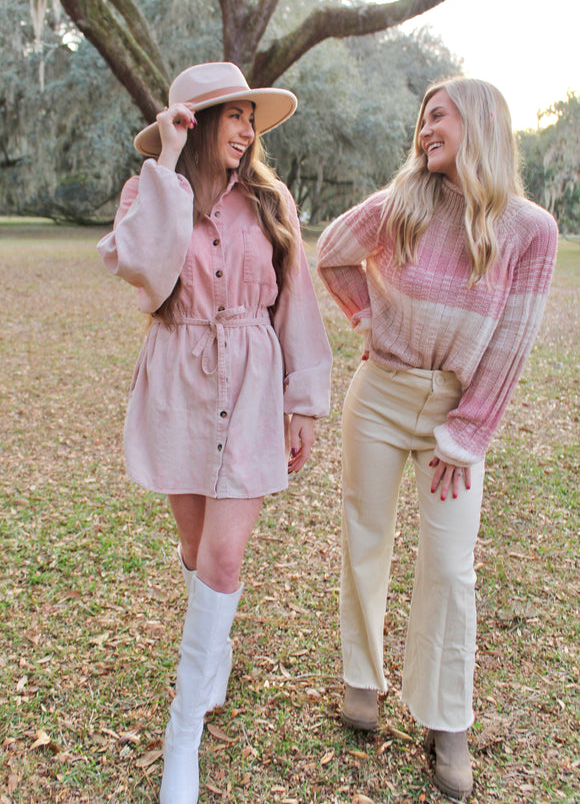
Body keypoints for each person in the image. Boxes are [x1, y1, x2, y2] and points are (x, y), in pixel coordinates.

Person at [97, 62, 332, 804]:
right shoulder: (149, 193)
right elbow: (142, 267)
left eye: (250, 119)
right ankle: (214, 655)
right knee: (199, 553)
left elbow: (295, 301)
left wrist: (303, 399)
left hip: (253, 382)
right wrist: (164, 161)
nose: (246, 130)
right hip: (181, 384)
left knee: (224, 556)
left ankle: (182, 734)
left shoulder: (271, 199)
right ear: (195, 122)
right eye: (232, 115)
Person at [316, 77, 557, 799]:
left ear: (479, 123)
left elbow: (513, 342)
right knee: (366, 537)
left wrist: (467, 433)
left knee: (451, 567)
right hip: (380, 395)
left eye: (438, 118)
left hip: (457, 412)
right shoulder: (401, 206)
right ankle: (364, 679)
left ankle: (445, 716)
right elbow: (329, 251)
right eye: (421, 121)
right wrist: (369, 323)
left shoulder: (528, 230)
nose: (424, 131)